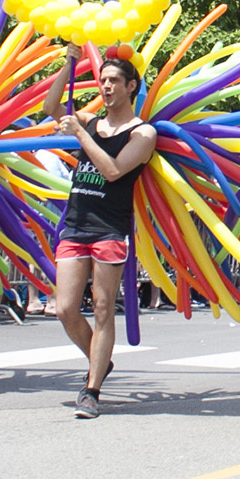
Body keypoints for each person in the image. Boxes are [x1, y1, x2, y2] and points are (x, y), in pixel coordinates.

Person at [43, 48, 156, 420]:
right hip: (76, 223)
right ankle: (99, 360)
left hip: (109, 227)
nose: (105, 86)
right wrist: (67, 65)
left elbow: (112, 170)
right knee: (64, 308)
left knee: (104, 308)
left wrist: (80, 134)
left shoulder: (142, 132)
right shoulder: (89, 120)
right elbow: (50, 106)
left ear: (130, 86)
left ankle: (91, 390)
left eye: (113, 81)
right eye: (102, 80)